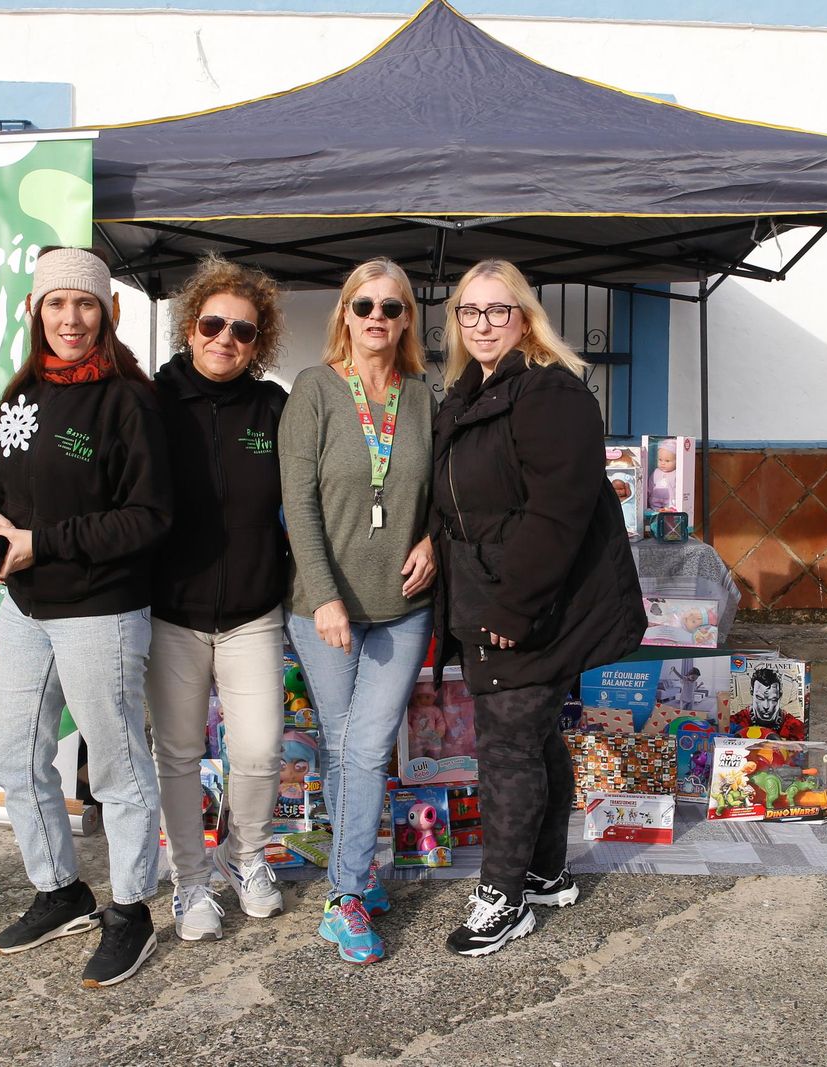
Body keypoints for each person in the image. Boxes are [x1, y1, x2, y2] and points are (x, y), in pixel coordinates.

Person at [0, 246, 171, 987]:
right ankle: (60, 888)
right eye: (56, 303)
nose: (71, 317)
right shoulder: (22, 392)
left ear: (107, 314)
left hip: (100, 610)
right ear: (36, 311)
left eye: (85, 304)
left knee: (115, 766)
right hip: (26, 606)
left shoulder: (129, 401)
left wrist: (40, 542)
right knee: (15, 758)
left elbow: (150, 517)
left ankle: (131, 910)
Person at [429, 259, 644, 957]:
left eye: (498, 310)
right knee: (535, 737)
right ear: (456, 322)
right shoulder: (467, 393)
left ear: (525, 318)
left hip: (529, 602)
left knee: (507, 745)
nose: (483, 323)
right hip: (492, 591)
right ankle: (548, 872)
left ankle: (504, 896)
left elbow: (557, 514)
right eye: (470, 311)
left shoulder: (550, 393)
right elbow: (460, 500)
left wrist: (513, 607)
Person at [278, 257, 437, 965]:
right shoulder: (312, 389)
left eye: (392, 307)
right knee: (351, 747)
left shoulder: (425, 398)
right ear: (344, 312)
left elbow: (445, 488)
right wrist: (325, 595)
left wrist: (435, 536)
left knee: (361, 747)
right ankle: (350, 890)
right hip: (326, 608)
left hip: (404, 604)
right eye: (364, 305)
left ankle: (346, 888)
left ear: (407, 320)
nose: (378, 317)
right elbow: (299, 504)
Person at [146, 254, 290, 943]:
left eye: (243, 330)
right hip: (169, 613)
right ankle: (189, 883)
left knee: (260, 748)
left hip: (253, 614)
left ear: (258, 343)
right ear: (189, 325)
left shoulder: (274, 407)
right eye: (212, 323)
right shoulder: (150, 402)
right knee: (176, 753)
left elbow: (323, 494)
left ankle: (247, 857)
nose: (225, 338)